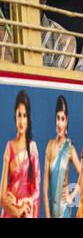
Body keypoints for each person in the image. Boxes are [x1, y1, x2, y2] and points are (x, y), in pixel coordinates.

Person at [0, 90, 40, 218]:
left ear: (28, 118)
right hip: (10, 212)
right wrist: (15, 210)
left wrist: (21, 204)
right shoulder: (9, 147)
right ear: (15, 117)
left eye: (25, 115)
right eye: (19, 115)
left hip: (26, 212)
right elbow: (2, 196)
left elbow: (37, 191)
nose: (22, 121)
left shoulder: (32, 148)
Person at [43, 95, 81, 218]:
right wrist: (48, 215)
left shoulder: (69, 149)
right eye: (58, 118)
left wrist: (72, 195)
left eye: (62, 119)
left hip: (64, 209)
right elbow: (45, 187)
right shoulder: (49, 146)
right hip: (51, 208)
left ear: (67, 121)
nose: (60, 123)